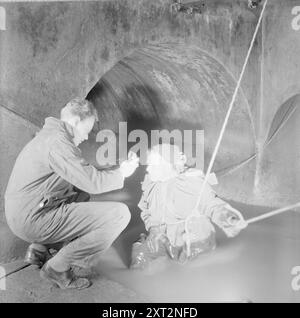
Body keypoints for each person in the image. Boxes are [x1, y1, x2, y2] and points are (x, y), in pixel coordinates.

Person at [5, 98, 139, 289]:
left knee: (81, 193)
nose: (85, 137)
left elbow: (78, 173)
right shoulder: (57, 143)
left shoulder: (50, 135)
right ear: (76, 122)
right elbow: (92, 182)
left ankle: (39, 251)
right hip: (32, 219)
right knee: (119, 215)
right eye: (87, 129)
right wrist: (123, 174)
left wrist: (114, 167)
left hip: (26, 210)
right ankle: (58, 268)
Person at [130, 144, 247, 269]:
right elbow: (145, 209)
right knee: (139, 251)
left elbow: (212, 205)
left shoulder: (192, 182)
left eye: (153, 165)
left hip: (194, 242)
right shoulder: (151, 185)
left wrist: (228, 218)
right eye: (148, 164)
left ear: (169, 164)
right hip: (164, 238)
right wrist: (153, 228)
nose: (148, 169)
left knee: (193, 270)